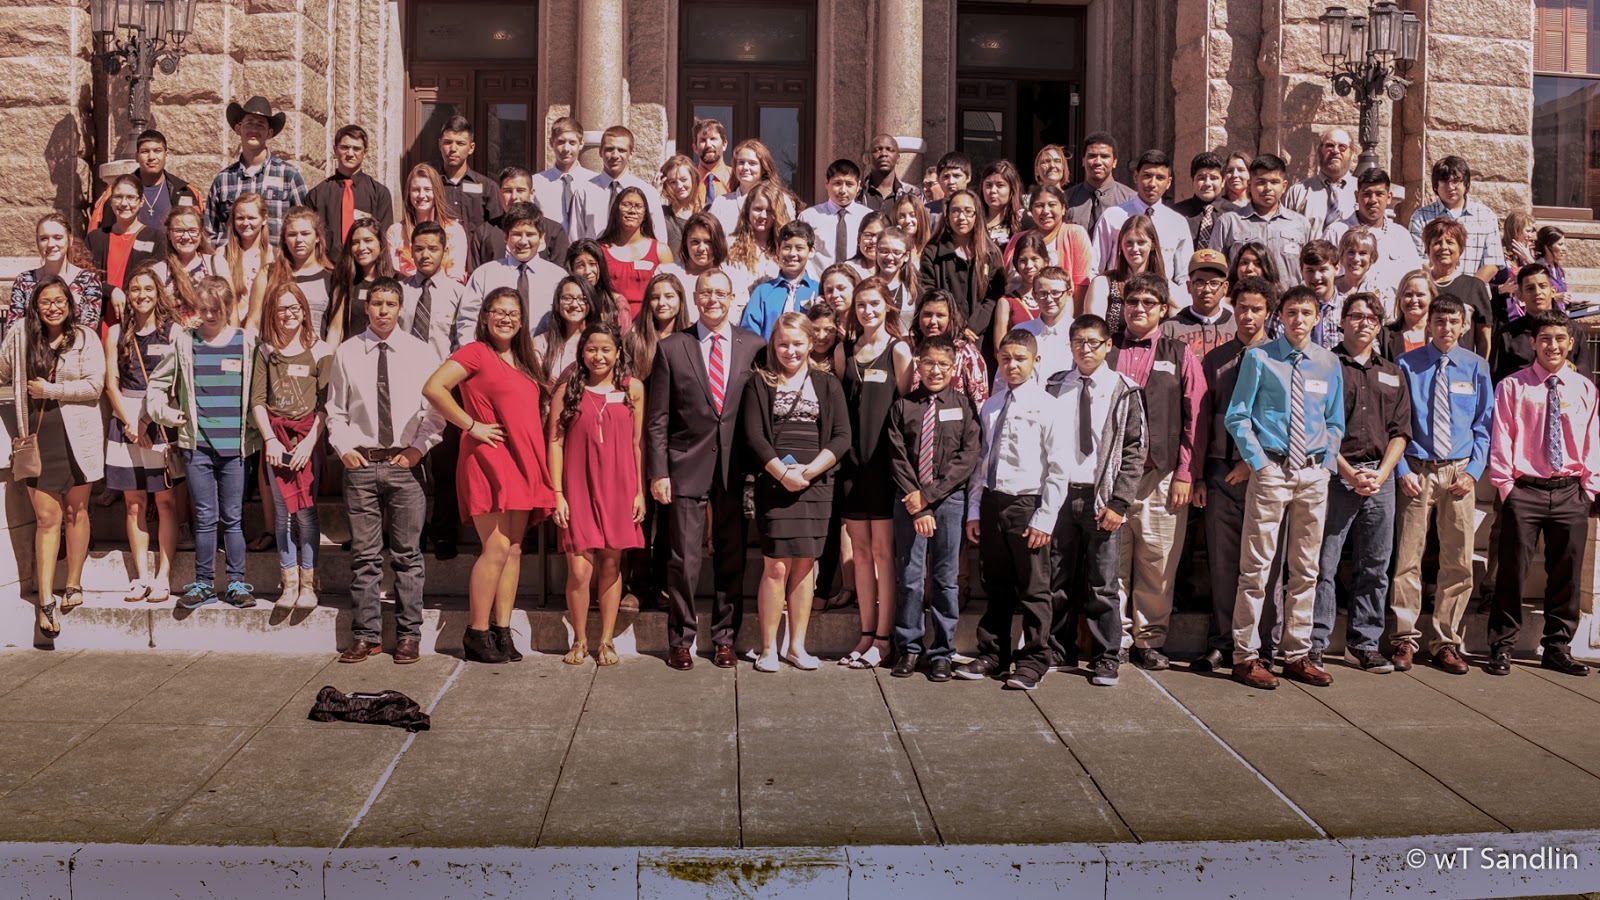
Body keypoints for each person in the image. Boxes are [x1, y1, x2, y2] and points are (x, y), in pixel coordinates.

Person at [423, 286, 558, 664]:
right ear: (484, 317)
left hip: (522, 460)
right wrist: (471, 425)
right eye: (498, 311)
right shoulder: (476, 352)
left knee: (514, 549)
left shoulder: (524, 358)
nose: (506, 318)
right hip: (489, 457)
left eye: (513, 313)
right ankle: (476, 632)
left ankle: (501, 630)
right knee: (495, 547)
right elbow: (434, 388)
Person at [1224, 285, 1345, 689]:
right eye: (1291, 312)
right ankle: (1245, 654)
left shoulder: (1328, 363)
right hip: (1272, 469)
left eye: (1306, 312)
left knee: (1306, 568)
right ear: (1280, 316)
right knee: (1257, 566)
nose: (1298, 320)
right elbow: (1238, 415)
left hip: (1312, 474)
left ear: (1316, 318)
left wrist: (1327, 464)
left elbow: (1334, 422)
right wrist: (1258, 462)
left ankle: (1296, 653)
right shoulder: (1260, 358)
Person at [646, 269, 764, 670]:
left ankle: (725, 639)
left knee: (732, 557)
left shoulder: (755, 347)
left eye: (720, 293)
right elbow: (657, 418)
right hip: (686, 466)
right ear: (694, 298)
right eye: (705, 293)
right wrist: (658, 471)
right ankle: (680, 640)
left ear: (733, 299)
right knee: (683, 559)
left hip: (736, 469)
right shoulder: (672, 347)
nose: (713, 299)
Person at [327, 278, 445, 664]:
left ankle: (409, 635)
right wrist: (344, 448)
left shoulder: (419, 352)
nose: (383, 310)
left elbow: (435, 412)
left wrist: (418, 449)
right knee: (364, 555)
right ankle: (366, 635)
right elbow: (336, 410)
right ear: (367, 306)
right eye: (377, 303)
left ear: (400, 308)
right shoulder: (347, 352)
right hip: (361, 463)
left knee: (408, 555)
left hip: (404, 465)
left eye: (390, 303)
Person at [1485, 310, 1600, 677]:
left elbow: (1592, 441)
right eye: (1545, 339)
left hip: (1570, 492)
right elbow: (1502, 437)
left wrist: (1589, 488)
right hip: (1525, 491)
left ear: (1570, 343)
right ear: (1533, 343)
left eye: (1560, 339)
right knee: (1512, 573)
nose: (1553, 346)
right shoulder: (1513, 386)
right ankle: (1501, 645)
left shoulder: (1584, 388)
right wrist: (1506, 487)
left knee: (1565, 575)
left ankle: (1557, 647)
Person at [954, 329, 1068, 690]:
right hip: (993, 501)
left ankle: (1034, 658)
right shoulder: (991, 405)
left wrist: (1045, 517)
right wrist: (975, 510)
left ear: (1035, 361)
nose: (1012, 365)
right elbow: (982, 463)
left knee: (1034, 587)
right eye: (1005, 359)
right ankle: (993, 653)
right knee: (997, 584)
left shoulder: (1049, 406)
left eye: (1020, 358)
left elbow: (1058, 468)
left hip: (1028, 504)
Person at [741, 312, 849, 672]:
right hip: (775, 485)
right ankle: (768, 647)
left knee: (805, 567)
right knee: (775, 567)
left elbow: (841, 436)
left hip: (815, 487)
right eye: (783, 343)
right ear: (773, 344)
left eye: (798, 343)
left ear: (810, 344)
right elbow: (754, 436)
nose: (790, 350)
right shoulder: (759, 383)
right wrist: (782, 472)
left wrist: (810, 471)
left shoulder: (828, 383)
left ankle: (797, 646)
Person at [1390, 295, 1493, 673]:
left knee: (1458, 560)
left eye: (1453, 322)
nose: (1446, 329)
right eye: (1439, 322)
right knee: (1407, 558)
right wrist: (1402, 470)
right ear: (1428, 324)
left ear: (1463, 325)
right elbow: (1396, 424)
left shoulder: (1476, 367)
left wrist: (1473, 472)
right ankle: (1404, 638)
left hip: (1459, 473)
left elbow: (1484, 426)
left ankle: (1446, 641)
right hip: (1418, 469)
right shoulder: (1406, 364)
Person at [1105, 274, 1203, 669]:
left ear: (1163, 309)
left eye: (1149, 302)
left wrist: (1185, 472)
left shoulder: (1180, 353)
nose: (1140, 308)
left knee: (1158, 562)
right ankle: (1117, 638)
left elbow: (1195, 416)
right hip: (1112, 475)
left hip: (1161, 476)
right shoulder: (1107, 351)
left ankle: (1148, 640)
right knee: (1113, 562)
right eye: (1133, 301)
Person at [146, 276, 260, 610]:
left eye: (217, 309)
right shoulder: (184, 341)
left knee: (234, 518)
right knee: (206, 516)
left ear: (228, 308)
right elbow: (158, 383)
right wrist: (165, 413)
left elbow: (260, 389)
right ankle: (204, 583)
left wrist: (257, 422)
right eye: (205, 309)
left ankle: (237, 583)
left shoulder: (246, 342)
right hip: (197, 446)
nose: (210, 315)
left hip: (236, 447)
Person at [1043, 315, 1146, 685]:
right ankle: (1060, 649)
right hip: (1061, 495)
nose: (1085, 349)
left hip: (1101, 499)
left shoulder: (1124, 389)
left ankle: (1106, 656)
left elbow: (1135, 449)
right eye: (1078, 342)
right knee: (1058, 577)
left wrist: (1120, 502)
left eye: (1092, 342)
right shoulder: (1055, 386)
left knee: (1103, 582)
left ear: (1107, 346)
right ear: (1070, 346)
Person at [1311, 292, 1411, 673]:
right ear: (1343, 320)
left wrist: (1382, 474)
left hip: (1380, 478)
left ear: (1380, 323)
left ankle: (1365, 643)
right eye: (1356, 315)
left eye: (1371, 317)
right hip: (1336, 474)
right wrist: (1348, 472)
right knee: (1324, 563)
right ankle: (1315, 642)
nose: (1364, 322)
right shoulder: (1325, 365)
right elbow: (1316, 425)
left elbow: (1401, 431)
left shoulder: (1392, 371)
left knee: (1375, 565)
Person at [1, 276, 105, 635]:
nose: (53, 307)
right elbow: (2, 369)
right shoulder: (20, 335)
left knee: (76, 511)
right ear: (35, 305)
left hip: (79, 436)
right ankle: (45, 600)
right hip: (36, 437)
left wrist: (53, 389)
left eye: (59, 300)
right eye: (46, 301)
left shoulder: (86, 338)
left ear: (70, 303)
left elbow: (96, 385)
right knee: (48, 518)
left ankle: (73, 582)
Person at [1191, 277, 1280, 672]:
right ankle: (1223, 641)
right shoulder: (1215, 359)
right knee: (1223, 562)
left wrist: (1253, 461)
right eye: (1242, 307)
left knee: (1264, 564)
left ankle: (1260, 642)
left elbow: (1280, 420)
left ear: (1268, 313)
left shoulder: (1280, 358)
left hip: (1263, 473)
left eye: (1256, 308)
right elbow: (1201, 421)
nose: (1248, 316)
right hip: (1220, 473)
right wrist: (1197, 474)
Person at [549, 322, 646, 667]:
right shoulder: (567, 391)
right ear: (582, 352)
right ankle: (579, 638)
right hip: (577, 486)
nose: (599, 355)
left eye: (606, 349)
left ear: (618, 352)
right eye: (592, 349)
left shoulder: (633, 389)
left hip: (619, 487)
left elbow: (637, 445)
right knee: (578, 569)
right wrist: (557, 493)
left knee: (610, 563)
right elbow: (555, 442)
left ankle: (606, 640)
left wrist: (639, 493)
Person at [887, 332, 981, 681]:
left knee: (945, 579)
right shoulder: (903, 406)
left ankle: (942, 651)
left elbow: (967, 457)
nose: (935, 370)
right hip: (908, 502)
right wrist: (917, 503)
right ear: (918, 364)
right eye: (928, 362)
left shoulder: (963, 405)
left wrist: (929, 497)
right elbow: (897, 458)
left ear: (954, 367)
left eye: (943, 364)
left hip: (949, 502)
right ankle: (909, 648)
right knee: (911, 579)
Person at [835, 276, 914, 669]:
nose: (867, 310)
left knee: (883, 552)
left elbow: (902, 412)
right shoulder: (844, 350)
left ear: (888, 306)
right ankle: (866, 633)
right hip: (852, 466)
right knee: (861, 554)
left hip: (883, 467)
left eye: (874, 303)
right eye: (861, 304)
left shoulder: (899, 351)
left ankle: (884, 639)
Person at [103, 265, 184, 602]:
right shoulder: (116, 333)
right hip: (125, 421)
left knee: (165, 502)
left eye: (148, 288)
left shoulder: (174, 332)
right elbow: (111, 384)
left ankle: (164, 576)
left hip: (160, 421)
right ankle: (142, 575)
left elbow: (178, 383)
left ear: (158, 292)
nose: (141, 295)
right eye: (135, 289)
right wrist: (129, 424)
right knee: (134, 504)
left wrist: (147, 422)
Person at [250, 283, 333, 609]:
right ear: (273, 312)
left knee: (307, 515)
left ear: (303, 309)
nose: (289, 313)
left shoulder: (320, 351)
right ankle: (288, 579)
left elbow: (326, 404)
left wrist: (309, 444)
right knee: (282, 513)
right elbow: (258, 400)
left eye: (294, 307)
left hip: (306, 440)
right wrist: (269, 438)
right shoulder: (266, 352)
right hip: (277, 440)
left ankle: (310, 581)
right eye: (282, 308)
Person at [622, 272, 692, 608]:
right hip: (640, 436)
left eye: (670, 296)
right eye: (655, 296)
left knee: (670, 516)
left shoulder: (691, 339)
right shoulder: (635, 340)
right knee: (640, 514)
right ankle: (638, 585)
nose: (662, 303)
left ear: (681, 300)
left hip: (679, 439)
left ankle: (665, 582)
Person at [204, 95, 309, 246]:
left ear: (269, 133)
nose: (254, 129)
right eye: (249, 123)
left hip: (276, 265)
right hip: (231, 265)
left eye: (260, 125)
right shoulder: (223, 179)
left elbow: (304, 224)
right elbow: (209, 231)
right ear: (238, 129)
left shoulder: (289, 176)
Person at [1090, 150, 1193, 301]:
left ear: (1168, 183)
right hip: (1119, 299)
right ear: (1136, 177)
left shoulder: (1178, 222)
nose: (1152, 184)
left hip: (1161, 302)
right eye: (1147, 176)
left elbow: (1184, 276)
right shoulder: (1113, 216)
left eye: (1160, 178)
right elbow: (1095, 267)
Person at [1207, 154, 1311, 293]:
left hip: (1288, 308)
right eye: (1261, 182)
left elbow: (1310, 269)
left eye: (1274, 182)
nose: (1268, 188)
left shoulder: (1300, 224)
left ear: (1284, 186)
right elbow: (1214, 270)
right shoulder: (1229, 222)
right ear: (1249, 185)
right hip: (1244, 307)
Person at [1323, 168, 1421, 310]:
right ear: (1357, 196)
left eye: (1379, 194)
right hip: (1346, 319)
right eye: (1367, 194)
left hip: (1391, 321)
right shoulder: (1337, 232)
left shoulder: (1401, 236)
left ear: (1389, 197)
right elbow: (1323, 276)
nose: (1373, 200)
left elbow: (1415, 281)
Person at [918, 188, 1005, 340]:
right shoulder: (933, 252)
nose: (961, 217)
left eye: (968, 211)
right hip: (943, 334)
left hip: (979, 336)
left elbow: (994, 296)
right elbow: (929, 292)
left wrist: (971, 327)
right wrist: (956, 326)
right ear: (947, 215)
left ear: (976, 215)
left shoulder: (990, 254)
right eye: (955, 211)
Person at [467, 202, 568, 330]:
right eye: (516, 234)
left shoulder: (558, 278)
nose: (523, 241)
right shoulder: (484, 275)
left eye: (530, 234)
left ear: (541, 237)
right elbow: (468, 318)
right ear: (505, 237)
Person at [307, 125, 394, 265]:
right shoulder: (317, 194)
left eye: (357, 148)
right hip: (327, 272)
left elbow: (383, 239)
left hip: (367, 272)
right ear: (335, 150)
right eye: (344, 147)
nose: (350, 153)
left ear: (365, 152)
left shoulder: (380, 193)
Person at [1490, 264, 1591, 384]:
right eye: (1530, 288)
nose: (1537, 292)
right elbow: (1495, 381)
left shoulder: (1572, 330)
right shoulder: (1506, 335)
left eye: (1543, 286)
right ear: (1520, 296)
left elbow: (1584, 379)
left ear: (1553, 291)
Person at [1408, 156, 1503, 283]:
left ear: (1466, 183)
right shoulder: (1421, 217)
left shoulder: (1486, 216)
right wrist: (1441, 286)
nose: (1450, 187)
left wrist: (1468, 290)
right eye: (1444, 181)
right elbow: (1418, 260)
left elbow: (1492, 262)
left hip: (1473, 296)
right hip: (1434, 293)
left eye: (1456, 181)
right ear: (1435, 186)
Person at [1003, 185, 1093, 315]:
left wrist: (1070, 322)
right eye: (1039, 206)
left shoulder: (1074, 233)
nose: (1045, 211)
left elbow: (1081, 285)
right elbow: (1007, 279)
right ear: (1031, 210)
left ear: (1063, 209)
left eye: (1052, 205)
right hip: (1017, 314)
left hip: (1059, 318)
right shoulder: (1017, 239)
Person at [88, 173, 168, 308]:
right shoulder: (95, 238)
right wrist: (111, 291)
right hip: (99, 318)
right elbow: (86, 277)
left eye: (131, 197)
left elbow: (156, 282)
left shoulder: (156, 239)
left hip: (138, 317)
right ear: (111, 200)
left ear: (141, 201)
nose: (124, 203)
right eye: (118, 197)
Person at [597, 186, 674, 321]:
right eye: (626, 205)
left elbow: (671, 295)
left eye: (638, 206)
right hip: (609, 328)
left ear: (645, 214)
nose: (632, 210)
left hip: (648, 327)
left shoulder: (661, 251)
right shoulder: (599, 250)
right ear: (616, 210)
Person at [1422, 217, 1493, 356]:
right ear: (1427, 249)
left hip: (1462, 369)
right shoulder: (1419, 286)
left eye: (1450, 242)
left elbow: (1484, 340)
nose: (1443, 247)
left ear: (1460, 249)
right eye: (1437, 242)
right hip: (1421, 368)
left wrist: (1480, 369)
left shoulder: (1474, 286)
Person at [389, 164, 469, 284]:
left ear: (437, 192)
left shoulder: (455, 231)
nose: (421, 195)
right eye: (416, 190)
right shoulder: (395, 232)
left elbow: (456, 275)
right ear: (409, 194)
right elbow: (392, 274)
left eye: (427, 189)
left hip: (444, 296)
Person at [259, 207, 335, 335]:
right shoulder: (268, 273)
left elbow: (336, 330)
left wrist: (326, 354)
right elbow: (254, 323)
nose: (299, 240)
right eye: (292, 234)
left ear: (317, 237)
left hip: (315, 352)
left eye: (305, 233)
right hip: (274, 352)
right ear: (284, 239)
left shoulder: (332, 277)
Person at [1087, 214, 1166, 335]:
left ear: (1153, 245)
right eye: (1129, 243)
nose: (1134, 248)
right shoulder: (1103, 283)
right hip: (1113, 351)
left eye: (1141, 242)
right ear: (1121, 246)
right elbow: (1093, 330)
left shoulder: (1165, 285)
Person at [908, 289, 988, 408]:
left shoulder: (966, 352)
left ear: (951, 318)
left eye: (940, 315)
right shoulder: (910, 349)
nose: (933, 321)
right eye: (927, 314)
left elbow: (980, 403)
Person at [741, 221, 819, 339]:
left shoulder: (819, 291)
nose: (792, 254)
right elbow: (749, 335)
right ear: (778, 250)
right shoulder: (763, 292)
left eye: (799, 248)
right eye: (787, 247)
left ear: (811, 251)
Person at [590, 125, 669, 239]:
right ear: (600, 151)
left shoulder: (647, 193)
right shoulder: (584, 191)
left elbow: (659, 236)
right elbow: (575, 236)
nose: (615, 155)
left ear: (631, 153)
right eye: (609, 149)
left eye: (621, 150)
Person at [326, 218, 396, 346]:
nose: (361, 247)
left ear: (380, 243)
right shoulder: (344, 281)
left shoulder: (397, 280)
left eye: (368, 240)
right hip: (353, 356)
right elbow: (336, 330)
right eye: (355, 243)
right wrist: (327, 361)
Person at [436, 115, 503, 242]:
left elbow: (496, 233)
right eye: (447, 142)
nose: (453, 149)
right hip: (441, 257)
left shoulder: (488, 188)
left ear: (471, 148)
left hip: (477, 258)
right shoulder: (430, 186)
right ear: (440, 145)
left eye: (460, 143)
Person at [709, 139, 795, 238]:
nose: (745, 167)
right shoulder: (721, 203)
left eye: (752, 163)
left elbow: (789, 239)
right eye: (741, 162)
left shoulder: (781, 200)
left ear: (763, 169)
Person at [484, 167, 570, 266]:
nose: (514, 197)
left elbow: (560, 274)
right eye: (508, 191)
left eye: (520, 190)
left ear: (531, 193)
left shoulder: (554, 231)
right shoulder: (485, 232)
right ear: (500, 194)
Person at [799, 159, 868, 279]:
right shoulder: (809, 217)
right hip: (820, 286)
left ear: (858, 186)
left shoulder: (867, 217)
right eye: (837, 183)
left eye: (849, 184)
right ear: (827, 183)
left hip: (859, 287)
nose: (843, 190)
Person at [534, 117, 601, 239]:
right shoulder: (536, 183)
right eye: (561, 142)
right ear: (551, 143)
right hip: (549, 253)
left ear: (581, 144)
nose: (566, 149)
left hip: (585, 252)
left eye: (572, 142)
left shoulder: (595, 183)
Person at [1162, 249, 1235, 361]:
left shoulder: (1236, 326)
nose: (1207, 289)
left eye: (1214, 283)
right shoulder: (1170, 329)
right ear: (1189, 286)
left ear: (1225, 287)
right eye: (1199, 283)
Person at [1283, 128, 1357, 239]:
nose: (1335, 151)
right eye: (1329, 145)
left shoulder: (1362, 191)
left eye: (1342, 147)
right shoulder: (1298, 192)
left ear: (1352, 153)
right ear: (1319, 150)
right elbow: (1284, 233)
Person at [212, 192, 272, 325]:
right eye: (240, 218)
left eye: (251, 218)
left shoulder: (275, 256)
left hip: (264, 328)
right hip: (230, 328)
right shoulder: (222, 254)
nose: (246, 223)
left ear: (264, 219)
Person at [151, 205, 218, 320]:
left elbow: (231, 310)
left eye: (192, 230)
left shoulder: (215, 263)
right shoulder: (158, 271)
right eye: (178, 231)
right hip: (174, 337)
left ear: (201, 233)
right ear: (169, 234)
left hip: (211, 337)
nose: (186, 237)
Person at [539, 275, 609, 382]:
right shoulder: (542, 343)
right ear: (558, 303)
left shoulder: (604, 341)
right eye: (567, 298)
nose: (574, 304)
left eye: (582, 299)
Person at [1064, 132, 1135, 232]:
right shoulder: (1066, 199)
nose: (1098, 162)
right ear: (1083, 160)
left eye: (1104, 156)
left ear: (1114, 162)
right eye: (1092, 156)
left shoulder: (1130, 200)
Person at [727, 181, 790, 285]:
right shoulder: (731, 245)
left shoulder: (786, 248)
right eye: (758, 209)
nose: (763, 216)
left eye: (770, 211)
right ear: (748, 209)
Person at [993, 231, 1050, 343]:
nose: (1029, 266)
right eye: (1023, 261)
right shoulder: (1007, 302)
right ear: (1016, 264)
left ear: (1045, 262)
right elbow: (1000, 348)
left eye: (1034, 259)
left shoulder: (1057, 298)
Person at [565, 240, 630, 328]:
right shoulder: (566, 304)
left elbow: (624, 339)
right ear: (572, 269)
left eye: (592, 264)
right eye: (580, 265)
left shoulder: (617, 304)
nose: (587, 271)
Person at [1296, 240, 1344, 350]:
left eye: (1323, 269)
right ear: (1302, 271)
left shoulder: (1349, 309)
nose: (1316, 277)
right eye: (1310, 270)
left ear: (1337, 269)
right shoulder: (1289, 309)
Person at [858, 134, 923, 214]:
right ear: (868, 158)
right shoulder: (857, 192)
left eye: (890, 149)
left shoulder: (913, 193)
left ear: (898, 158)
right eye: (877, 149)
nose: (883, 154)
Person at [1172, 151, 1226, 247]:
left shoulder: (1235, 214)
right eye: (1201, 178)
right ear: (1192, 180)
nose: (1207, 184)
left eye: (1214, 178)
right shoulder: (1175, 214)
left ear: (1223, 182)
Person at [1381, 271, 1435, 360]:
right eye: (1408, 294)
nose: (1414, 300)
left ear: (1432, 297)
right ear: (1400, 298)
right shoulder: (1384, 335)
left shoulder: (1441, 333)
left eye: (1420, 294)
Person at [871, 227, 919, 325]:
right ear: (876, 252)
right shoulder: (866, 288)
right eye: (884, 251)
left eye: (897, 253)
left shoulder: (914, 291)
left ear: (906, 256)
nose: (889, 257)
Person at [1491, 212, 1538, 304]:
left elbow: (1539, 275)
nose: (1530, 236)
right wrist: (1500, 289)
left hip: (1521, 308)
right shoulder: (1497, 251)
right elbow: (1481, 283)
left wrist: (1529, 260)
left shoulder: (1526, 253)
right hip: (1501, 307)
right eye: (1528, 231)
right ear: (1515, 230)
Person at [978, 159, 1025, 249]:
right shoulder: (974, 217)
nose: (993, 191)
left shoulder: (1023, 218)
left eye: (1000, 185)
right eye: (988, 185)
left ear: (1012, 189)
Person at [659, 154, 699, 252]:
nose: (679, 186)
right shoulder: (661, 213)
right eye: (673, 182)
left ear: (693, 179)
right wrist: (655, 194)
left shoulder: (708, 211)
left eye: (683, 179)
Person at [691, 118, 734, 210]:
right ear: (695, 148)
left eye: (713, 139)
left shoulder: (736, 178)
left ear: (724, 144)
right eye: (703, 140)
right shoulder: (688, 181)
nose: (708, 145)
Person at [926, 152, 973, 223]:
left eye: (957, 176)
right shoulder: (927, 212)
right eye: (946, 177)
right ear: (938, 179)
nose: (951, 182)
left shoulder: (979, 209)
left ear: (968, 178)